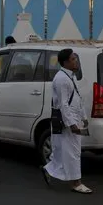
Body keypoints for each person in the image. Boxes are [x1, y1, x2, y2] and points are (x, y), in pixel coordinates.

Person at [43, 48, 92, 194]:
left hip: (74, 118)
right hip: (68, 121)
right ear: (65, 62)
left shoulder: (71, 76)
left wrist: (83, 117)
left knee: (63, 151)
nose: (76, 61)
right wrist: (72, 124)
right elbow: (63, 104)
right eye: (72, 59)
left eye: (75, 58)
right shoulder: (61, 79)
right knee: (73, 152)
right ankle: (76, 183)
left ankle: (49, 169)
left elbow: (76, 98)